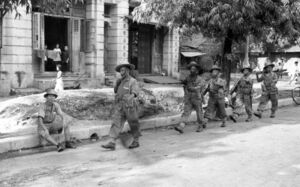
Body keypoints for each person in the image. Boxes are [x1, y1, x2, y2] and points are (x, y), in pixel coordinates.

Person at [102, 62, 141, 150]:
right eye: (120, 71)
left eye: (123, 70)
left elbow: (135, 93)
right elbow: (116, 91)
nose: (121, 72)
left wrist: (130, 97)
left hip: (130, 106)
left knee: (133, 123)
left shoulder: (132, 81)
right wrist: (116, 84)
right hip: (120, 105)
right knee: (116, 122)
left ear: (127, 71)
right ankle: (112, 142)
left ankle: (136, 141)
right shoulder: (120, 81)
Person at [174, 61, 207, 134]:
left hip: (197, 98)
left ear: (197, 70)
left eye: (194, 69)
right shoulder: (188, 78)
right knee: (186, 112)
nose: (192, 70)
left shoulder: (200, 79)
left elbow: (200, 86)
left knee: (199, 113)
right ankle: (181, 126)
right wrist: (181, 82)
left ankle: (201, 125)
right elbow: (184, 82)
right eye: (191, 69)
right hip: (189, 98)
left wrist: (194, 88)